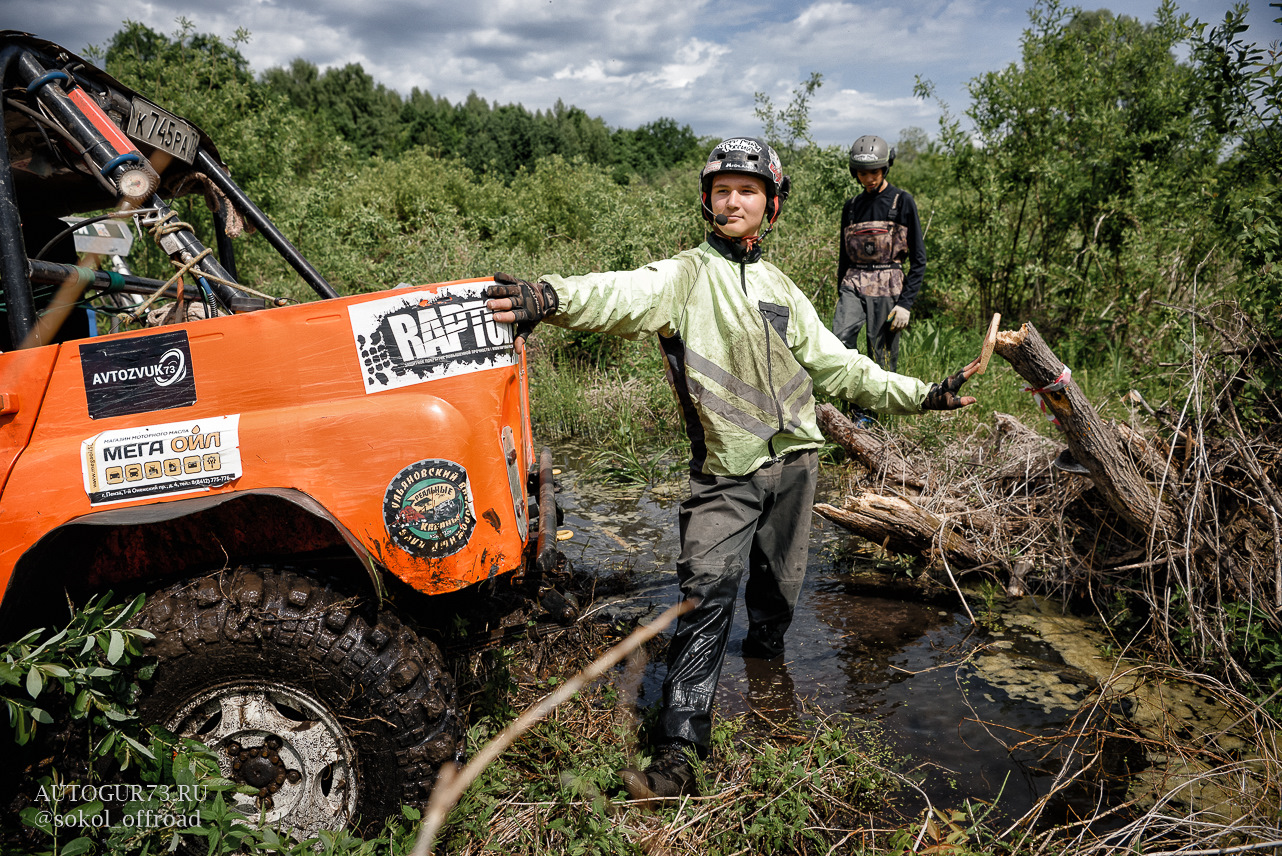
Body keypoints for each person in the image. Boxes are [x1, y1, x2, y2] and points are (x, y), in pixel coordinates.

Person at [484, 136, 978, 801]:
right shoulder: (687, 276)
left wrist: (923, 393)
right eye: (722, 191)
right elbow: (622, 292)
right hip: (727, 473)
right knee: (706, 595)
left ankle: (770, 696)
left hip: (798, 466)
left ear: (770, 205)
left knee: (776, 600)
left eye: (748, 191)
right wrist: (551, 295)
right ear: (709, 204)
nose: (733, 201)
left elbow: (840, 365)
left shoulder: (778, 287)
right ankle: (681, 751)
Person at [832, 134, 926, 373]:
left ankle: (876, 411)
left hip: (888, 284)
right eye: (862, 173)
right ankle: (849, 402)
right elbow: (845, 256)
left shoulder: (902, 201)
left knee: (881, 353)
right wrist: (840, 292)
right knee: (840, 339)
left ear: (885, 168)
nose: (869, 178)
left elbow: (919, 259)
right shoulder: (851, 206)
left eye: (874, 172)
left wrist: (905, 304)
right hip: (853, 282)